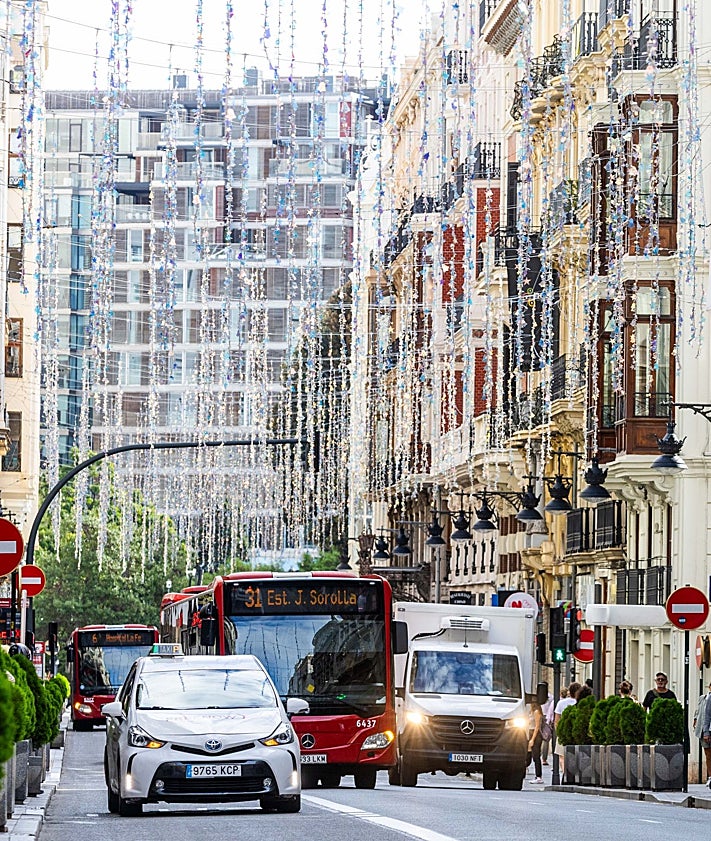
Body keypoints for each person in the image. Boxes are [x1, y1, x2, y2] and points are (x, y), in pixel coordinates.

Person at [553, 682, 580, 773]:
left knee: (562, 756)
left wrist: (559, 733)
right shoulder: (581, 702)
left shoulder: (561, 703)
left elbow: (556, 720)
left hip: (563, 733)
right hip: (577, 733)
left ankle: (565, 774)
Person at [693, 680, 711, 786]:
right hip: (704, 730)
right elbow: (701, 711)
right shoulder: (703, 698)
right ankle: (710, 776)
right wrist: (695, 720)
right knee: (708, 754)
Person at [528, 699, 544, 784]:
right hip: (531, 733)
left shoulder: (536, 712)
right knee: (532, 755)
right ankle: (537, 775)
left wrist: (532, 739)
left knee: (536, 756)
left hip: (535, 735)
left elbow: (537, 727)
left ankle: (538, 776)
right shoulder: (532, 712)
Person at [541, 692, 555, 765]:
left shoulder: (539, 696)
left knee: (545, 739)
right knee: (550, 739)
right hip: (548, 718)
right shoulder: (552, 697)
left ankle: (544, 758)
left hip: (543, 716)